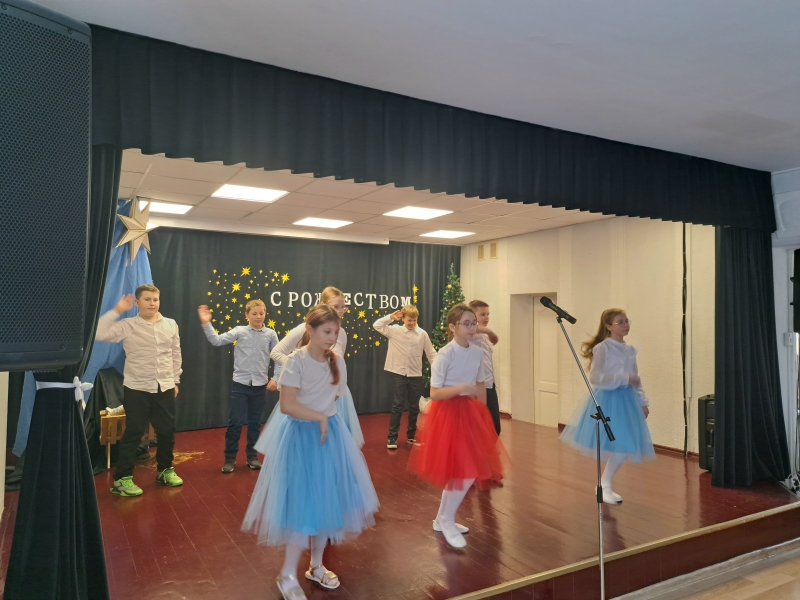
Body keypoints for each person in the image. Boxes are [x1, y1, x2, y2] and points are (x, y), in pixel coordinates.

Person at [242, 305, 378, 600]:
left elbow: (337, 395)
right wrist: (318, 417)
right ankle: (287, 574)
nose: (332, 337)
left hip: (330, 437)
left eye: (335, 332)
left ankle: (316, 565)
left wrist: (325, 417)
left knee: (327, 504)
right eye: (327, 331)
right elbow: (288, 405)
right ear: (310, 330)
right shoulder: (296, 361)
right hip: (303, 438)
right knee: (305, 507)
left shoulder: (337, 361)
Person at [407, 303, 505, 549]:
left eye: (474, 323)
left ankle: (442, 519)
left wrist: (483, 414)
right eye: (467, 324)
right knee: (463, 471)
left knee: (465, 470)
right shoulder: (445, 354)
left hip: (470, 413)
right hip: (449, 414)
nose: (472, 328)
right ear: (452, 327)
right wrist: (461, 388)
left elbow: (480, 384)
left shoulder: (476, 352)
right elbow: (435, 393)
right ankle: (447, 519)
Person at [95, 284, 183, 496]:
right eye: (147, 299)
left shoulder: (170, 324)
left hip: (164, 386)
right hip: (137, 388)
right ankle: (122, 480)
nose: (152, 303)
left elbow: (175, 354)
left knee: (166, 432)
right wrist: (118, 310)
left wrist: (175, 380)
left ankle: (165, 470)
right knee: (133, 433)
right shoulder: (128, 325)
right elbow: (99, 332)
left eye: (155, 299)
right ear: (137, 303)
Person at [559, 309, 654, 504]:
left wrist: (642, 402)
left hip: (627, 400)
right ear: (609, 326)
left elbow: (636, 379)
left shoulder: (629, 350)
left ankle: (605, 484)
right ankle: (604, 485)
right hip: (609, 399)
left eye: (627, 321)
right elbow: (596, 378)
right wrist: (624, 378)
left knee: (625, 444)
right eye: (620, 322)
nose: (626, 325)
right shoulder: (603, 348)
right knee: (621, 444)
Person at [269, 287, 364, 447]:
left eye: (343, 307)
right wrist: (301, 370)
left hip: (333, 397)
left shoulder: (341, 333)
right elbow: (276, 352)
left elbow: (337, 362)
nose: (341, 311)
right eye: (336, 306)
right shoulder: (304, 329)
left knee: (334, 444)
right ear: (323, 305)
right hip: (307, 396)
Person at [198, 298, 279, 473]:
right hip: (240, 386)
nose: (258, 316)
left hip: (260, 387)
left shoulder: (271, 334)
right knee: (235, 422)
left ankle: (252, 456)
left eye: (261, 313)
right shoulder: (239, 331)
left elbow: (278, 357)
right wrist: (206, 323)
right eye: (254, 313)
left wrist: (276, 378)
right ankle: (230, 457)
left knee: (255, 423)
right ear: (246, 315)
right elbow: (216, 340)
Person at [373, 305, 437, 449]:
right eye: (409, 320)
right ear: (403, 318)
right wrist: (390, 317)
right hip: (399, 373)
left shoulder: (422, 334)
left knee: (414, 407)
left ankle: (411, 436)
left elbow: (431, 354)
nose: (412, 323)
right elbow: (377, 325)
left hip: (415, 374)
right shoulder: (395, 330)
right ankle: (392, 438)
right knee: (398, 405)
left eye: (414, 320)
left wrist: (440, 369)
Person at [468, 300, 501, 435]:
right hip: (477, 386)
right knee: (479, 427)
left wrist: (488, 333)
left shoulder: (483, 335)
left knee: (495, 427)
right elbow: (470, 327)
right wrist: (490, 331)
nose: (486, 317)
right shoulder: (471, 333)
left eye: (488, 314)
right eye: (482, 314)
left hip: (489, 384)